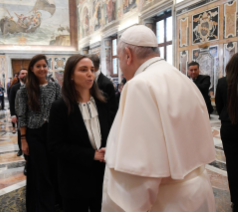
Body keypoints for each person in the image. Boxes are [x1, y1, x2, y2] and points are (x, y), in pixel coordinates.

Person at [101, 25, 216, 212]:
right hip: (198, 194)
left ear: (128, 55)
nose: (121, 68)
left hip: (167, 202)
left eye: (120, 59)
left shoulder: (139, 85)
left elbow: (139, 176)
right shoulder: (183, 79)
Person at [48, 55, 113, 212]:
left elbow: (111, 132)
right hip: (74, 179)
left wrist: (108, 148)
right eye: (83, 70)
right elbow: (55, 146)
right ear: (71, 75)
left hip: (102, 175)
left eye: (91, 69)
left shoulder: (102, 101)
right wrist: (90, 155)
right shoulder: (60, 107)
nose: (90, 74)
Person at [18, 54, 61, 212]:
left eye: (44, 65)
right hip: (34, 133)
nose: (42, 69)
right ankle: (42, 205)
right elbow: (21, 116)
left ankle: (55, 201)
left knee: (53, 167)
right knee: (39, 170)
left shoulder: (55, 87)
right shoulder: (24, 91)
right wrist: (23, 140)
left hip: (52, 133)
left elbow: (60, 110)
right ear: (32, 69)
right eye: (38, 66)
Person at [215, 52, 238, 212]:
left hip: (228, 126)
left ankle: (236, 202)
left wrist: (226, 117)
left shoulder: (223, 82)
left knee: (232, 166)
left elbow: (219, 105)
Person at [9, 69, 28, 155]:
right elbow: (11, 102)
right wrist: (13, 115)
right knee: (20, 132)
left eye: (26, 74)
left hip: (29, 113)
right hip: (19, 113)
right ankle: (20, 148)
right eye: (22, 73)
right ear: (19, 75)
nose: (24, 75)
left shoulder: (31, 86)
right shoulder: (14, 87)